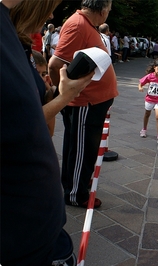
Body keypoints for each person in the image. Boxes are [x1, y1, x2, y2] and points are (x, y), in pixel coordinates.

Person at [1, 0, 93, 264]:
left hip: (42, 226)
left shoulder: (18, 41)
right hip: (22, 237)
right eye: (50, 4)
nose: (52, 13)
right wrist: (67, 96)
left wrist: (54, 91)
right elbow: (25, 120)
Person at [49, 0, 118, 208]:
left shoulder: (86, 24)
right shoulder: (78, 24)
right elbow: (55, 64)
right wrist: (61, 92)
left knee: (83, 146)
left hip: (92, 101)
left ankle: (77, 182)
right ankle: (75, 194)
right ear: (104, 11)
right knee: (81, 148)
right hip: (84, 102)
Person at [138, 59, 158, 144]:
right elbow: (141, 82)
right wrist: (140, 87)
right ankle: (144, 129)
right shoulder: (149, 76)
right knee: (147, 114)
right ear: (154, 67)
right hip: (149, 99)